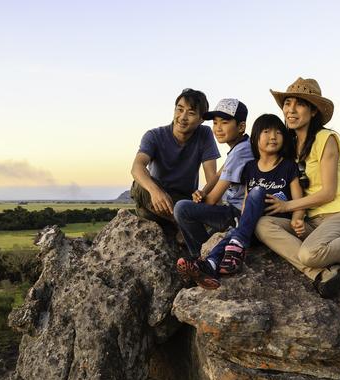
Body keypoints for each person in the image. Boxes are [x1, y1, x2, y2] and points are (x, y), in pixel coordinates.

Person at [255, 77, 340, 299]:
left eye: (299, 104)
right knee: (263, 224)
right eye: (287, 103)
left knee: (310, 254)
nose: (291, 110)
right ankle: (323, 273)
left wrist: (287, 206)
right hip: (312, 221)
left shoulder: (325, 138)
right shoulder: (290, 145)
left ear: (313, 112)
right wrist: (297, 216)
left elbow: (328, 192)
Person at [177, 114, 304, 289]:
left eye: (278, 133)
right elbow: (246, 200)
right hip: (249, 223)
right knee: (234, 233)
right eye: (266, 132)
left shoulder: (288, 166)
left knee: (257, 192)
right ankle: (209, 265)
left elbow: (299, 200)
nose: (273, 137)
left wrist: (297, 219)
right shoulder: (251, 167)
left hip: (272, 222)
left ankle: (232, 247)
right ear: (256, 138)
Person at [173, 98, 253, 258]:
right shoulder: (243, 146)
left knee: (182, 209)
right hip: (235, 212)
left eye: (224, 122)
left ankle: (202, 256)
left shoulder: (240, 152)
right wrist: (202, 192)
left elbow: (212, 199)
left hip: (237, 214)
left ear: (241, 126)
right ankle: (208, 251)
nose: (218, 128)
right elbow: (218, 175)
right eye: (215, 123)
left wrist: (200, 200)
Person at [130, 88, 219, 224]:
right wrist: (155, 191)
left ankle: (183, 223)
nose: (182, 117)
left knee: (212, 200)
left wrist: (206, 197)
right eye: (179, 109)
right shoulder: (154, 136)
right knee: (139, 186)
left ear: (201, 119)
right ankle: (184, 224)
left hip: (185, 200)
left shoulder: (204, 134)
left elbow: (212, 177)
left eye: (191, 113)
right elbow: (137, 167)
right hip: (157, 197)